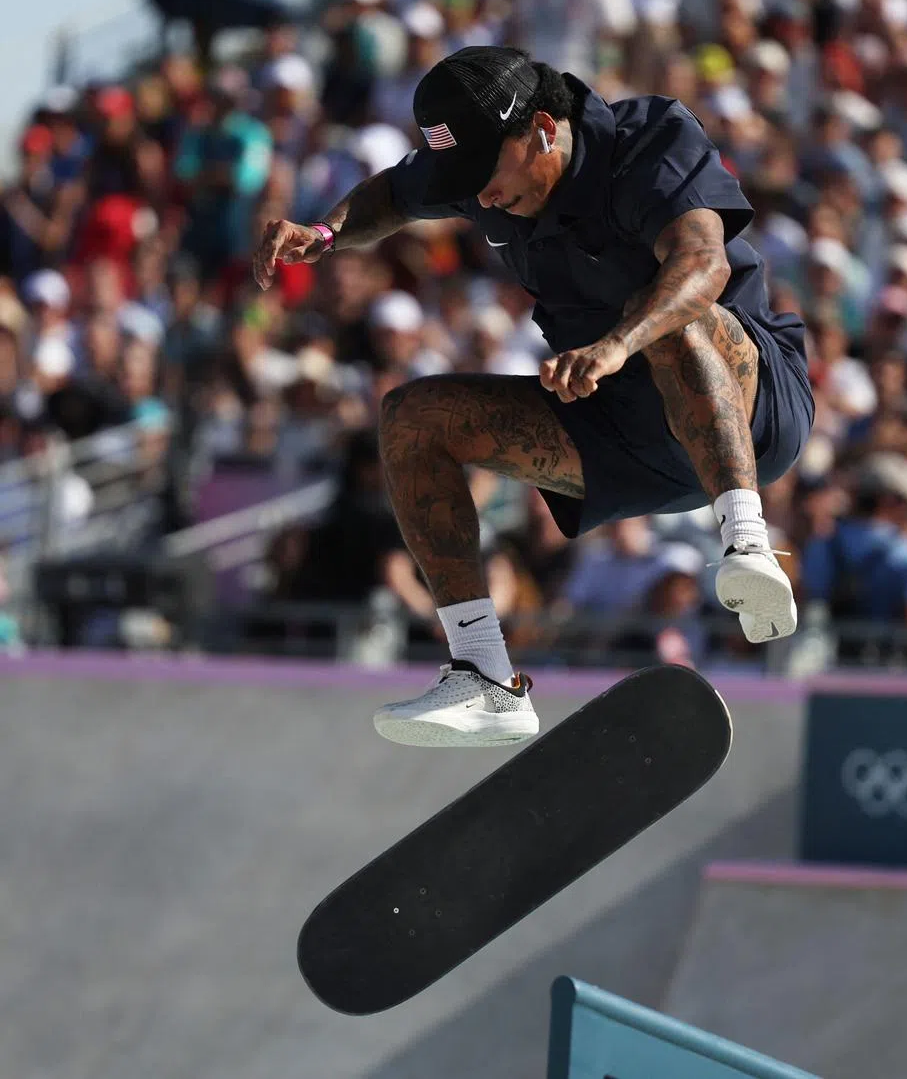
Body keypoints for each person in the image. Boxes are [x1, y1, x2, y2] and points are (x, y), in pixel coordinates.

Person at [253, 46, 814, 746]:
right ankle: (485, 677)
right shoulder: (477, 161)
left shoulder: (651, 141)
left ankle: (749, 546)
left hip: (751, 409)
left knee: (670, 304)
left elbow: (703, 262)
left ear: (544, 127)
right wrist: (329, 233)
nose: (482, 197)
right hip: (623, 433)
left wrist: (615, 345)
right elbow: (392, 195)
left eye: (488, 176)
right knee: (411, 418)